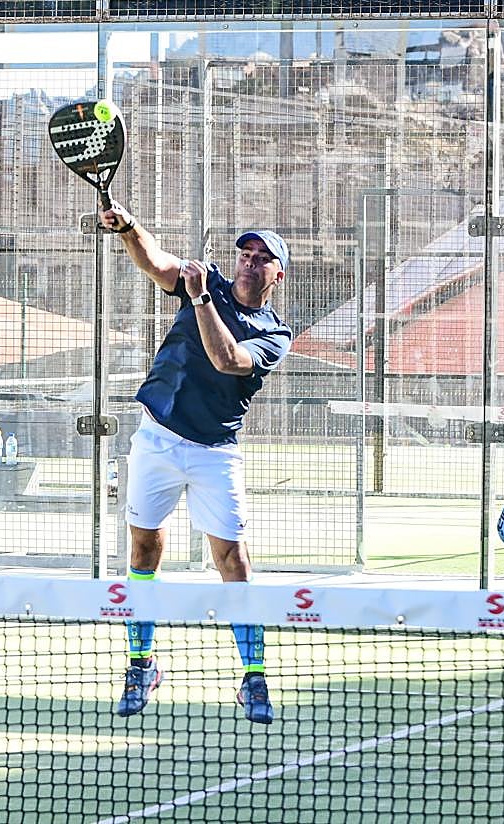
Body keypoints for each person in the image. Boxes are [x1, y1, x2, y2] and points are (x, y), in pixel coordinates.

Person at [99, 200, 293, 725]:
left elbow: (227, 360)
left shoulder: (275, 334)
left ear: (278, 274)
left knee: (234, 562)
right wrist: (128, 226)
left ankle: (253, 678)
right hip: (157, 438)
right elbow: (157, 262)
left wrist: (201, 297)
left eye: (262, 257)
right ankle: (141, 664)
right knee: (143, 547)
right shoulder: (204, 283)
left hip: (215, 453)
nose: (250, 261)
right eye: (245, 253)